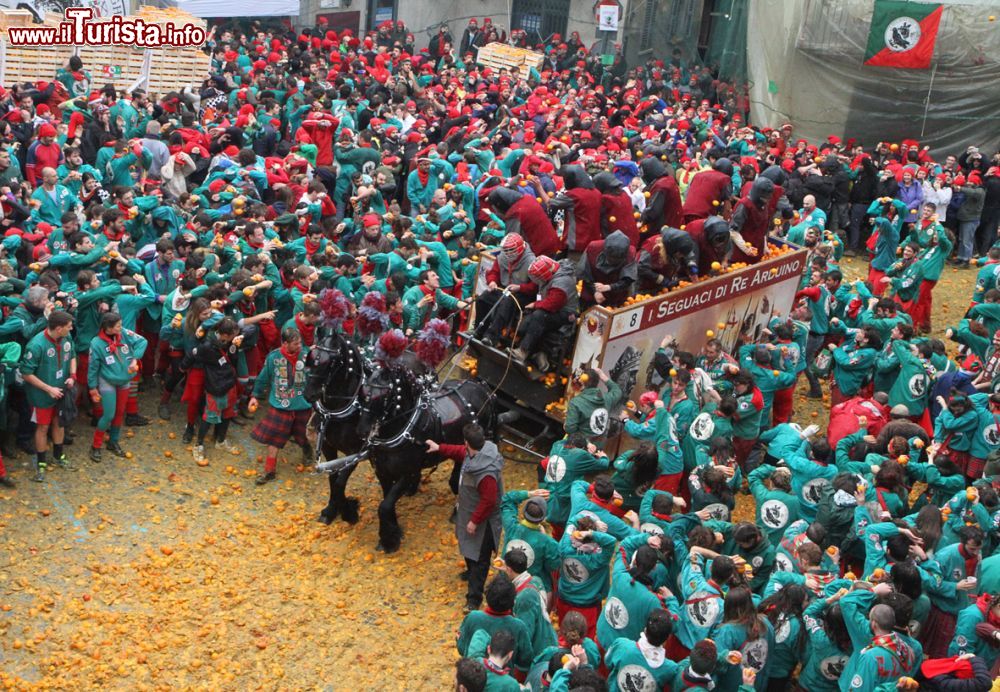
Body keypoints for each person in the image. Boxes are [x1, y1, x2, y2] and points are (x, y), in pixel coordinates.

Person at [428, 423, 505, 612]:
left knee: (480, 559)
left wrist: (474, 521)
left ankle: (474, 599)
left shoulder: (486, 473)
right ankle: (471, 574)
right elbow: (461, 453)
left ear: (467, 442)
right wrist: (440, 448)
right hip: (469, 514)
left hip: (482, 522)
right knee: (470, 551)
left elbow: (489, 500)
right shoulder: (476, 453)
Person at [249, 327, 312, 485]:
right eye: (296, 344)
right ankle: (269, 471)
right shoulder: (273, 358)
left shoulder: (306, 355)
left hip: (302, 404)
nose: (299, 346)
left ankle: (307, 450)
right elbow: (263, 378)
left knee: (303, 435)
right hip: (280, 406)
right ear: (285, 343)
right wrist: (255, 396)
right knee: (274, 439)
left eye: (300, 343)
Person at [20, 310, 76, 482]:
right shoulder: (36, 345)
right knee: (43, 428)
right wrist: (48, 389)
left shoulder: (66, 338)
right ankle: (41, 463)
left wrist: (72, 376)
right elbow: (26, 373)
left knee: (59, 424)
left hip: (61, 392)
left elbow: (72, 356)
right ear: (59, 328)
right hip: (42, 397)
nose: (71, 328)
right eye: (69, 326)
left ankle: (59, 456)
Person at [86, 313, 147, 463]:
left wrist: (134, 359)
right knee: (108, 415)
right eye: (118, 325)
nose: (122, 327)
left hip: (124, 379)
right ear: (108, 328)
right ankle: (96, 445)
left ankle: (113, 441)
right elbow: (92, 368)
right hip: (107, 381)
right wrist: (92, 387)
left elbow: (142, 342)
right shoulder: (96, 343)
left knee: (120, 412)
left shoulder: (124, 333)